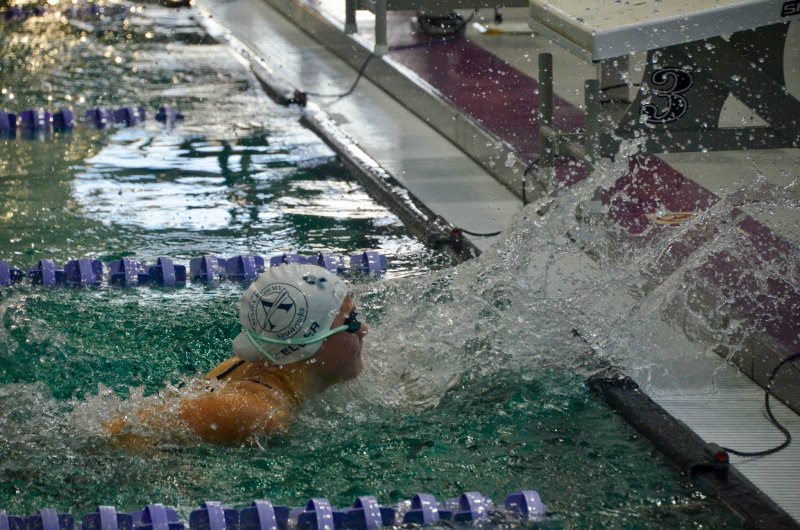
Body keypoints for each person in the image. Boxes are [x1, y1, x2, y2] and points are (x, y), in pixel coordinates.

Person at [106, 263, 368, 446]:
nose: (363, 330)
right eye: (352, 321)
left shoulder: (265, 364)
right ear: (311, 343)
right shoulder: (255, 410)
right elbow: (119, 432)